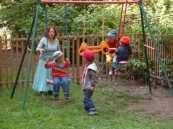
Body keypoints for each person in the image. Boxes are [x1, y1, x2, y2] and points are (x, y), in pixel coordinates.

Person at [32, 26, 60, 95]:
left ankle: (50, 89)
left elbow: (58, 51)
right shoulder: (44, 39)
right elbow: (37, 48)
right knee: (43, 75)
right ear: (47, 32)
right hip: (44, 61)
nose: (52, 33)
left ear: (55, 33)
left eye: (53, 32)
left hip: (52, 61)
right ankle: (42, 90)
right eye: (50, 32)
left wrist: (58, 57)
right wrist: (40, 49)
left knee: (51, 75)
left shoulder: (56, 41)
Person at [80, 49, 98, 115]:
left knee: (87, 98)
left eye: (83, 57)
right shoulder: (87, 65)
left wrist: (92, 86)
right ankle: (87, 108)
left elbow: (94, 78)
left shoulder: (91, 68)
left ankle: (92, 109)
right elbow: (85, 74)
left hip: (89, 86)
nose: (82, 58)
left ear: (86, 59)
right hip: (86, 86)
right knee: (86, 97)